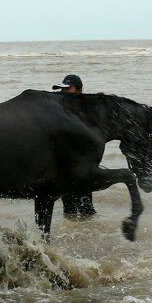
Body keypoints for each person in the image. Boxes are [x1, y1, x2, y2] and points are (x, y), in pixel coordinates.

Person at [52, 74, 97, 218]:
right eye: (62, 89)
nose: (64, 92)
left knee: (87, 211)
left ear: (79, 90)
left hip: (83, 169)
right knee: (69, 211)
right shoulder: (57, 109)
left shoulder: (88, 110)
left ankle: (90, 234)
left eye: (68, 89)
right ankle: (72, 233)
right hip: (64, 169)